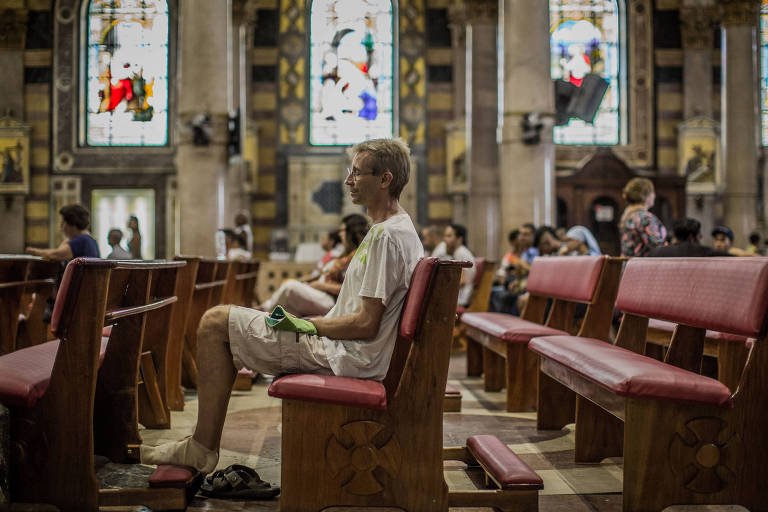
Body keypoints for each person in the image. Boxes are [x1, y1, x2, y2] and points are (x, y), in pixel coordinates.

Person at [141, 138, 423, 479]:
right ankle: (202, 444)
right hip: (349, 351)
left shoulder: (387, 236)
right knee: (225, 324)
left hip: (347, 356)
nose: (348, 180)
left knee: (214, 323)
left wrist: (309, 325)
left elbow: (366, 324)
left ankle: (201, 447)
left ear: (385, 179)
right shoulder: (395, 230)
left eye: (357, 173)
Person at [260, 214, 370, 317]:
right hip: (321, 294)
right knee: (288, 308)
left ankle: (263, 311)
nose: (340, 234)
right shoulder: (344, 256)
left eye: (343, 230)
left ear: (352, 232)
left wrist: (321, 286)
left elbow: (351, 288)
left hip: (332, 300)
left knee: (290, 287)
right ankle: (268, 317)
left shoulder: (357, 257)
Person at [26, 204, 100, 261]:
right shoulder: (91, 240)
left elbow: (55, 254)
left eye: (63, 222)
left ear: (72, 223)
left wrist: (33, 251)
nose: (61, 226)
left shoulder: (81, 240)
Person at [619, 177, 667, 257]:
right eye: (652, 192)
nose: (654, 195)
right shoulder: (644, 218)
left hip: (629, 263)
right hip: (644, 264)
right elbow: (658, 247)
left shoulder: (629, 215)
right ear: (645, 195)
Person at [432, 223, 475, 307]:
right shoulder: (458, 252)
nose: (445, 239)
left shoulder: (461, 253)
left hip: (459, 299)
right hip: (456, 297)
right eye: (445, 236)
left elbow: (462, 281)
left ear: (459, 239)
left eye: (449, 236)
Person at [648, 218, 729, 257]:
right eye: (699, 235)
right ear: (691, 237)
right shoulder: (705, 253)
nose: (701, 238)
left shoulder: (656, 253)